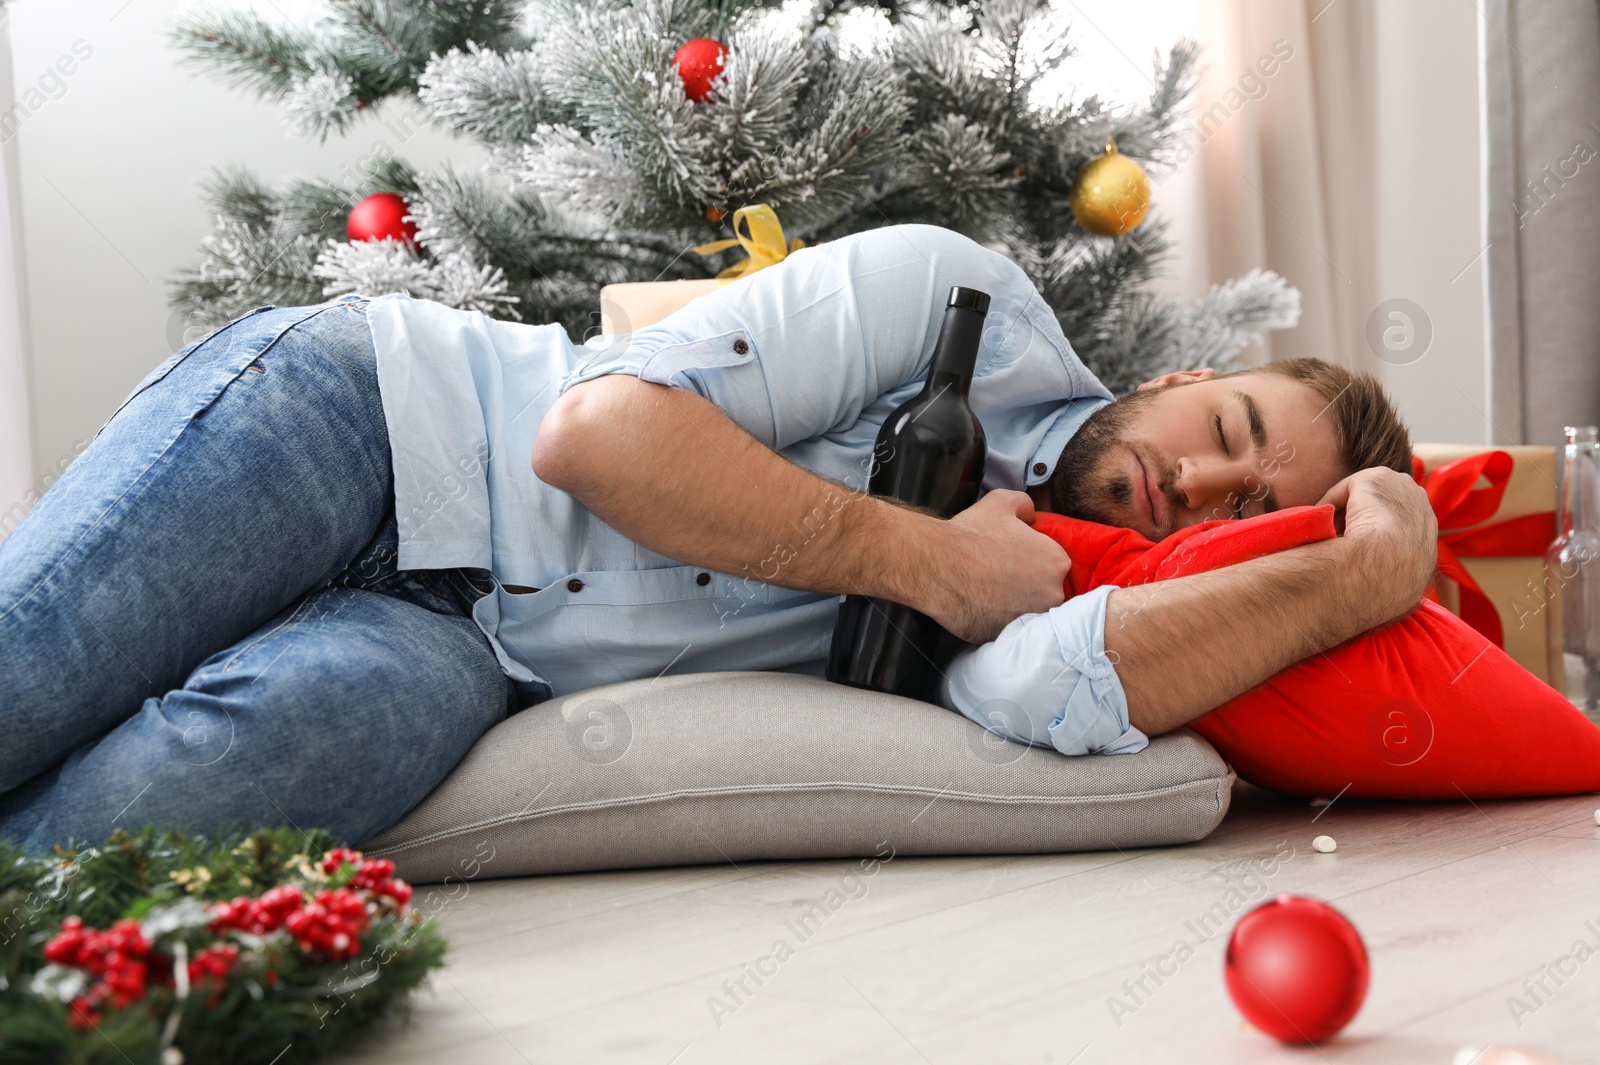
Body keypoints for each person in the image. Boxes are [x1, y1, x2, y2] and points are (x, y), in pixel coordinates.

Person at [0, 223, 1437, 852]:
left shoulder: (1060, 595)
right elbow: (592, 433)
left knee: (156, 814)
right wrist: (931, 556)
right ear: (1189, 379)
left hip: (461, 645)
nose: (1203, 492)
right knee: (27, 673)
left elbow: (1068, 693)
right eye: (1228, 437)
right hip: (373, 421)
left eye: (1253, 514)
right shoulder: (956, 298)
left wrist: (1366, 568)